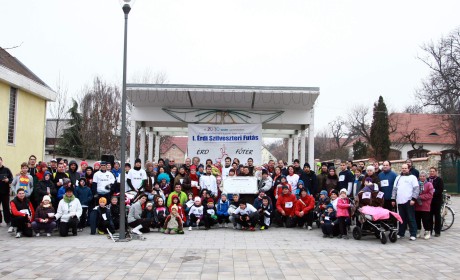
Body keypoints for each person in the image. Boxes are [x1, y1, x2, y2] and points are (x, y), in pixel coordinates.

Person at [391, 164, 420, 240]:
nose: (404, 169)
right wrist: (393, 199)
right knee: (401, 218)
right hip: (400, 201)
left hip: (409, 201)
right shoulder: (398, 178)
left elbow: (416, 189)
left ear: (408, 169)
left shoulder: (412, 177)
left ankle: (413, 234)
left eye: (405, 168)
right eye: (403, 168)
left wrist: (413, 199)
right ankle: (401, 233)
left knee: (411, 218)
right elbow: (394, 189)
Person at [415, 171, 434, 240]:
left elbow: (430, 194)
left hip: (425, 205)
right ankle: (418, 231)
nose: (422, 177)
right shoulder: (416, 184)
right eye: (420, 176)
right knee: (417, 219)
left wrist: (420, 197)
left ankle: (427, 232)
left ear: (425, 177)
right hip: (417, 205)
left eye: (423, 176)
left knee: (425, 220)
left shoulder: (429, 184)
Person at [428, 167, 444, 237]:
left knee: (437, 216)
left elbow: (440, 190)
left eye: (433, 171)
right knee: (429, 216)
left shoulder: (439, 180)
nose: (432, 172)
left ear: (436, 172)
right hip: (429, 201)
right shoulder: (428, 179)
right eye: (431, 171)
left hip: (437, 200)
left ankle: (437, 231)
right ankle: (430, 230)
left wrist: (433, 192)